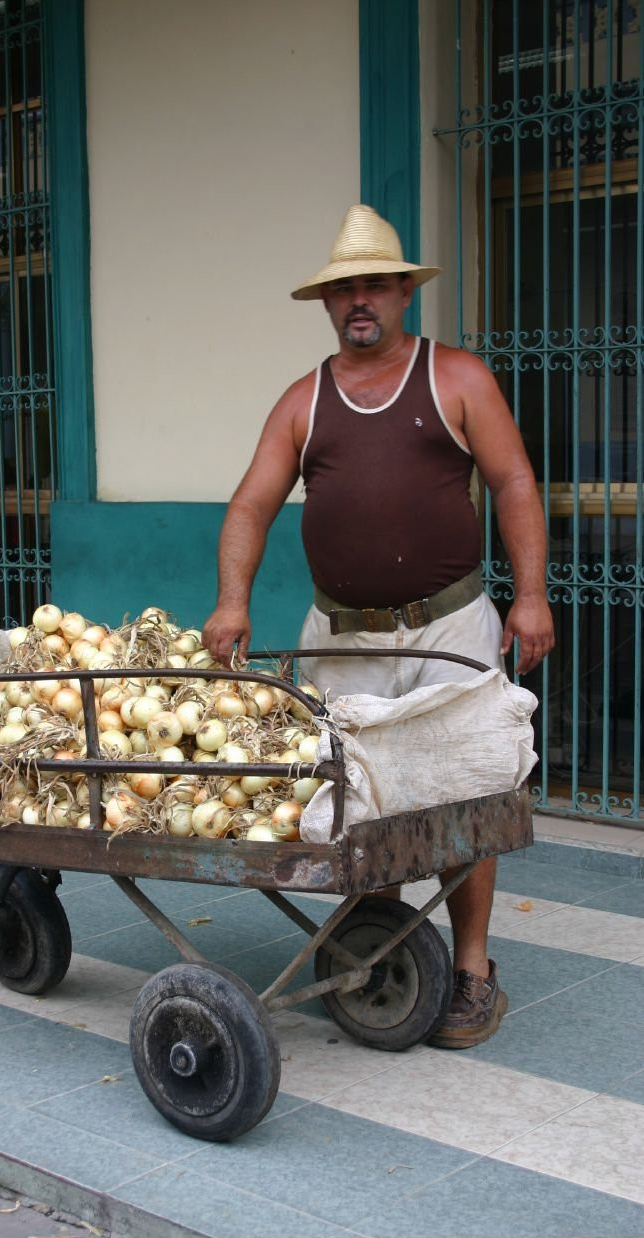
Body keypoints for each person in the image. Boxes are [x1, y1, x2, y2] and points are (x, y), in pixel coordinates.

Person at [202, 204, 555, 1048]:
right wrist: (231, 600)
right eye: (344, 288)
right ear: (328, 304)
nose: (360, 299)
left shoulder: (457, 378)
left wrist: (531, 595)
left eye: (375, 285)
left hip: (449, 627)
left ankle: (470, 970)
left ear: (404, 292)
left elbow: (511, 483)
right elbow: (251, 503)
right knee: (355, 804)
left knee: (466, 796)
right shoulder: (302, 401)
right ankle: (382, 949)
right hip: (341, 637)